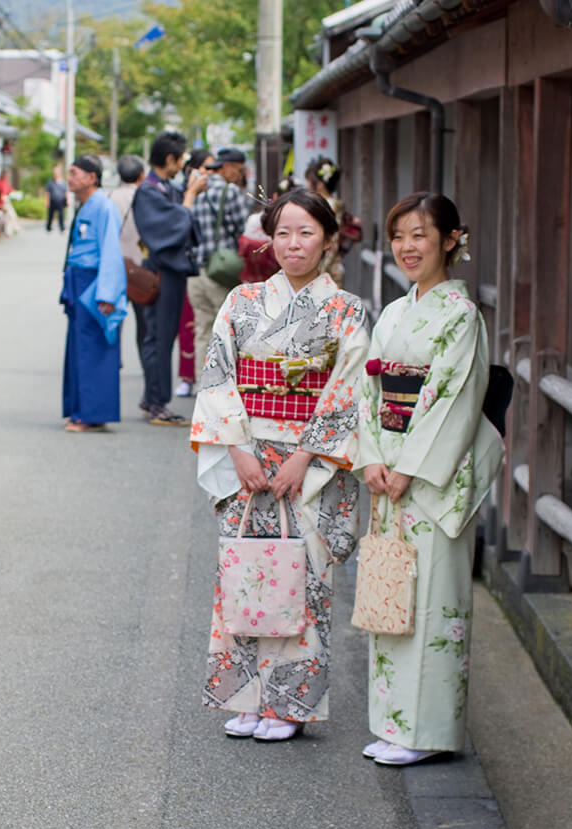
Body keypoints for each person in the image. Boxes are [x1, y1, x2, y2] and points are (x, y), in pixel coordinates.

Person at [191, 188, 370, 741]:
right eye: (284, 232)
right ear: (269, 240)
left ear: (328, 240)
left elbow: (348, 391)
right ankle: (246, 696)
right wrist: (239, 449)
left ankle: (289, 702)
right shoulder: (241, 302)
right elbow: (218, 373)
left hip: (308, 466)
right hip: (247, 455)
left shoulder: (344, 309)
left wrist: (302, 457)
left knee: (306, 577)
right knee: (245, 573)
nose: (294, 244)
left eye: (307, 232)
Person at [353, 192, 504, 766]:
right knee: (391, 592)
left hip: (429, 478)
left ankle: (428, 731)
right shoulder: (393, 312)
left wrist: (409, 468)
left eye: (420, 234)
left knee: (434, 601)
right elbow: (369, 392)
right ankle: (392, 724)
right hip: (387, 468)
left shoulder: (461, 316)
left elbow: (453, 401)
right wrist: (371, 456)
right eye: (399, 235)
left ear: (450, 240)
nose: (408, 246)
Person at [132, 130, 205, 426]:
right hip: (161, 272)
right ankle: (157, 403)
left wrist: (188, 195)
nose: (182, 164)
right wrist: (188, 196)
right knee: (158, 338)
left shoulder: (162, 187)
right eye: (180, 159)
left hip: (171, 272)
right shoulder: (148, 191)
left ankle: (152, 397)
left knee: (162, 337)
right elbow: (172, 227)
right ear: (169, 159)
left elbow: (186, 225)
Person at [60, 154, 127, 432]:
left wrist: (108, 294)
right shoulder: (87, 205)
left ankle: (92, 414)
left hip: (95, 285)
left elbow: (111, 250)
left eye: (75, 173)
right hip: (80, 281)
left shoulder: (103, 206)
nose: (70, 178)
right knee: (80, 349)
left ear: (91, 177)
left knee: (93, 350)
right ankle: (80, 409)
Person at [187, 148, 250, 384]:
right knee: (226, 331)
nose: (240, 175)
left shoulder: (191, 189)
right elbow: (244, 230)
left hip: (193, 272)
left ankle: (203, 386)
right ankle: (224, 387)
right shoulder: (229, 191)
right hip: (220, 273)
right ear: (227, 167)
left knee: (202, 330)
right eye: (239, 169)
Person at [174, 149, 213, 399]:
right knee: (189, 326)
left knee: (204, 325)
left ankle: (203, 379)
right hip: (187, 267)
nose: (210, 173)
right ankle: (188, 377)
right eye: (206, 168)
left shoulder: (219, 193)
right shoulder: (182, 194)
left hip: (207, 268)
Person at [108, 154, 149, 378]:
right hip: (141, 267)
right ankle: (146, 364)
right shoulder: (146, 196)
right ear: (141, 175)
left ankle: (113, 361)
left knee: (115, 319)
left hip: (116, 266)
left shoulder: (109, 197)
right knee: (144, 322)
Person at [45, 164, 67, 232]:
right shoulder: (50, 182)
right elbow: (47, 192)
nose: (56, 174)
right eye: (55, 173)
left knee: (61, 215)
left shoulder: (63, 182)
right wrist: (46, 201)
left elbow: (66, 192)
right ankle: (48, 227)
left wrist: (68, 200)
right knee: (50, 215)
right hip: (52, 201)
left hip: (61, 201)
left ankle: (62, 227)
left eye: (57, 173)